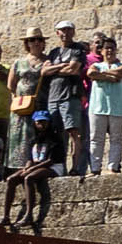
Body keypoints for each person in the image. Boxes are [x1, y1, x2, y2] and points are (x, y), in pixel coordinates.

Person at [0, 112, 63, 229]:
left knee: (29, 178)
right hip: (36, 166)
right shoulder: (33, 140)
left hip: (54, 167)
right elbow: (30, 159)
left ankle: (29, 215)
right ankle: (6, 216)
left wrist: (31, 169)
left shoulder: (55, 139)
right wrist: (27, 167)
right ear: (34, 123)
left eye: (44, 122)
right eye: (39, 122)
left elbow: (51, 161)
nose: (41, 125)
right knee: (11, 179)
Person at [41, 21, 91, 175]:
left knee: (73, 132)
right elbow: (44, 72)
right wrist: (61, 67)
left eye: (69, 30)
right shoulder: (53, 52)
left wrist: (54, 69)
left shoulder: (77, 49)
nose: (66, 33)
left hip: (70, 95)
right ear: (57, 33)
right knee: (56, 133)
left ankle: (75, 168)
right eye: (62, 30)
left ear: (74, 32)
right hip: (53, 97)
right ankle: (59, 166)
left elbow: (74, 68)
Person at [86, 36, 122, 174]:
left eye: (112, 48)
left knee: (116, 139)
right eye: (107, 48)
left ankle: (113, 166)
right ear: (101, 51)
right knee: (96, 139)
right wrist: (110, 77)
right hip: (97, 107)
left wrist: (102, 75)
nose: (110, 51)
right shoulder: (96, 65)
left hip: (117, 108)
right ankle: (95, 168)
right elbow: (91, 73)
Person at [9, 29, 46, 160]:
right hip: (22, 106)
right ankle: (19, 164)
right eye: (32, 40)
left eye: (39, 39)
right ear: (27, 43)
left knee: (38, 134)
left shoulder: (47, 61)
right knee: (20, 135)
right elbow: (11, 84)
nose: (36, 42)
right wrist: (19, 98)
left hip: (40, 104)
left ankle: (36, 162)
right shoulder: (19, 62)